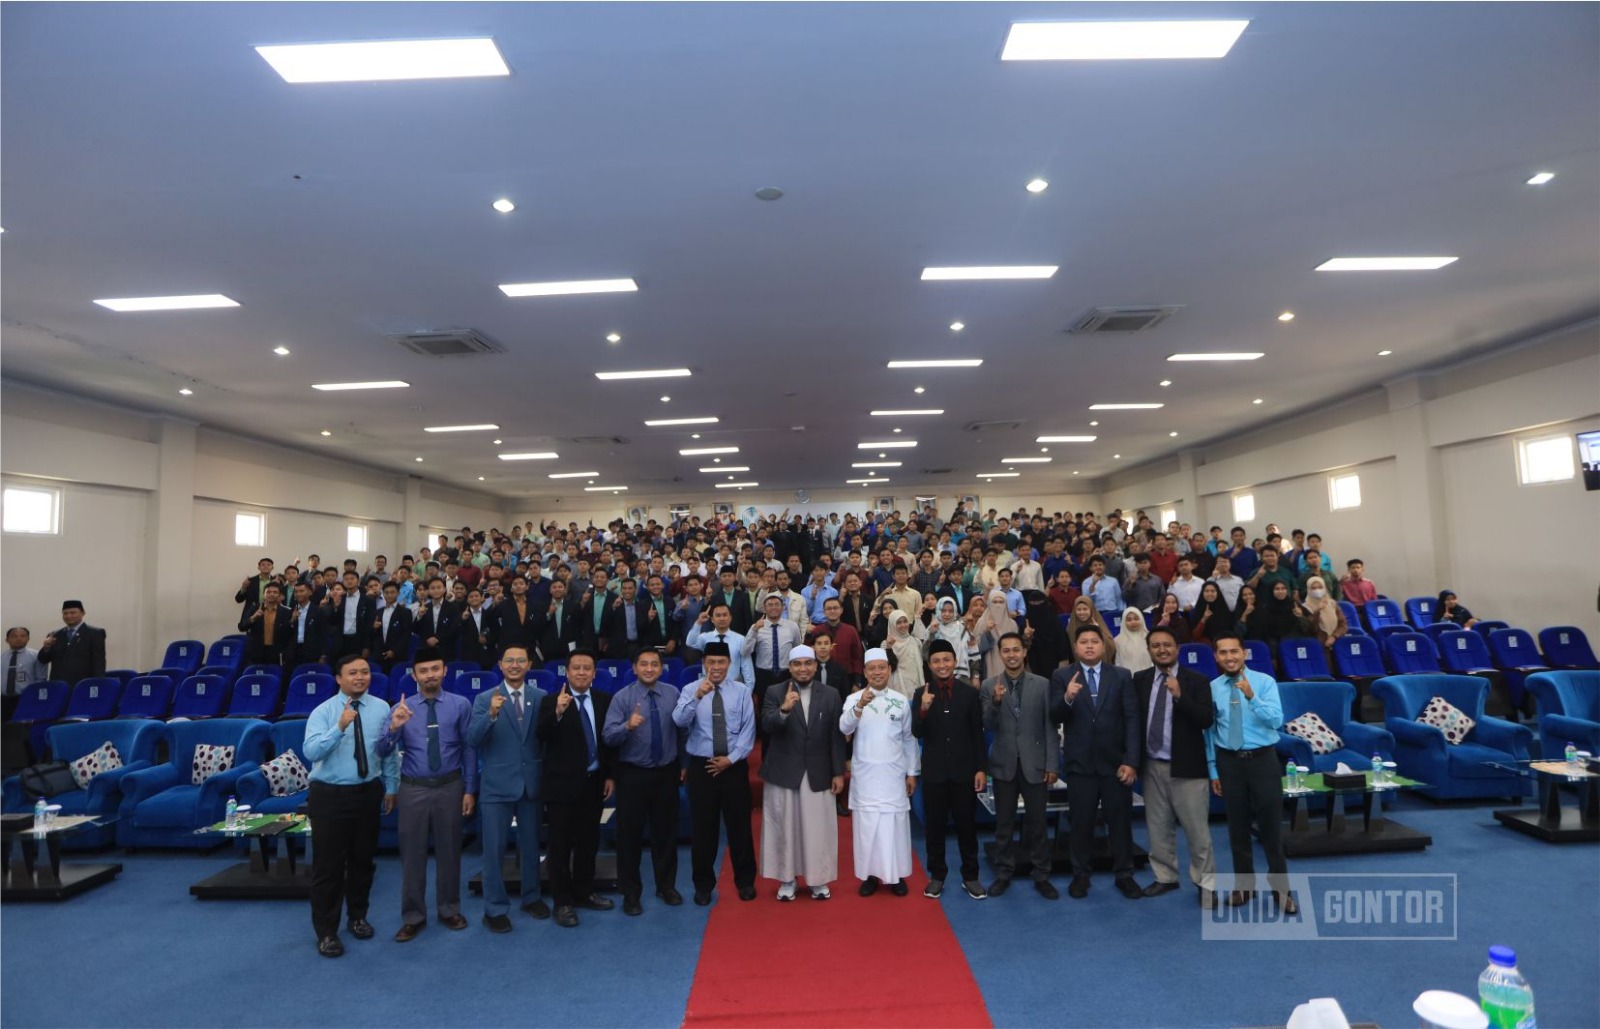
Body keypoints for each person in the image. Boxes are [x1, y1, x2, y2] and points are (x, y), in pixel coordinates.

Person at [376, 647, 476, 941]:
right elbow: (382, 750)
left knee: (449, 852)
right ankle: (413, 916)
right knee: (412, 856)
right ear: (414, 675)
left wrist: (470, 789)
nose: (430, 675)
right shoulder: (401, 708)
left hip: (450, 787)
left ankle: (449, 909)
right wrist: (395, 729)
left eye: (435, 669)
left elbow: (469, 749)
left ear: (444, 671)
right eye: (424, 670)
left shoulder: (460, 705)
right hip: (413, 788)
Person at [302, 654, 398, 957]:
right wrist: (340, 726)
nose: (360, 677)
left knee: (362, 862)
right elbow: (311, 751)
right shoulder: (324, 711)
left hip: (367, 793)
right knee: (328, 868)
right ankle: (327, 932)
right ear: (339, 679)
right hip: (330, 795)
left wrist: (391, 786)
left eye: (365, 672)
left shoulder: (382, 707)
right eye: (353, 673)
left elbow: (387, 752)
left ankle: (357, 917)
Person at [1051, 625, 1142, 900]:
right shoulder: (1062, 675)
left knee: (1120, 823)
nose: (1089, 646)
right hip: (1080, 765)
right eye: (1084, 642)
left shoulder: (1122, 676)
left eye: (1094, 641)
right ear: (1076, 647)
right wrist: (1067, 697)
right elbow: (1053, 715)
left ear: (1104, 646)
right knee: (1080, 823)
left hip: (1116, 765)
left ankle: (1124, 874)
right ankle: (1081, 875)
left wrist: (1131, 761)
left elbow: (1132, 720)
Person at [1206, 633, 1295, 914]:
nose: (1229, 657)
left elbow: (1276, 720)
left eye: (1234, 651)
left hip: (1263, 760)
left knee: (1270, 827)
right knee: (1237, 828)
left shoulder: (1264, 682)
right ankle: (1244, 885)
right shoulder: (1213, 687)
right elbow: (1209, 733)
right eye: (1223, 653)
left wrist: (1251, 697)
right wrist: (1212, 769)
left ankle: (1281, 888)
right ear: (1216, 657)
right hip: (1229, 762)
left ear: (1244, 654)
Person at [467, 645, 549, 933]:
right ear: (500, 665)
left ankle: (531, 897)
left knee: (530, 846)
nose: (515, 665)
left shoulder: (541, 698)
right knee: (494, 850)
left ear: (529, 665)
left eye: (520, 661)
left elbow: (546, 739)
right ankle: (495, 908)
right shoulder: (483, 699)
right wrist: (490, 715)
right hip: (496, 786)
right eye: (509, 661)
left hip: (531, 784)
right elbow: (473, 740)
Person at [1132, 628, 1216, 906]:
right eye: (1155, 645)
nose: (1162, 650)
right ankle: (1165, 877)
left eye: (1167, 645)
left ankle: (1206, 884)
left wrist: (1181, 696)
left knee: (1197, 831)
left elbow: (1205, 719)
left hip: (1188, 768)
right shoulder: (1140, 680)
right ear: (1149, 650)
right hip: (1152, 765)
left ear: (1177, 649)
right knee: (1158, 827)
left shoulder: (1197, 681)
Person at [673, 640, 758, 905]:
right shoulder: (690, 689)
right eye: (711, 662)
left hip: (733, 767)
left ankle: (745, 882)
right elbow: (678, 720)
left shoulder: (742, 691)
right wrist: (698, 696)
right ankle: (703, 885)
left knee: (740, 828)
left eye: (721, 662)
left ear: (729, 664)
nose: (716, 667)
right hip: (702, 767)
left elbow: (748, 731)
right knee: (703, 830)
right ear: (703, 664)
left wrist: (730, 760)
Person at [601, 649, 684, 915]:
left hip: (666, 773)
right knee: (629, 837)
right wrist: (628, 725)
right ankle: (630, 893)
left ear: (661, 668)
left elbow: (683, 731)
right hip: (633, 775)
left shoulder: (673, 693)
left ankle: (666, 886)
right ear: (634, 668)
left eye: (654, 664)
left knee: (666, 834)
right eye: (644, 664)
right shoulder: (622, 697)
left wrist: (684, 765)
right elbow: (608, 737)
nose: (649, 668)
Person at [760, 645, 847, 901]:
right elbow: (766, 725)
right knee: (784, 829)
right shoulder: (775, 692)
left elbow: (836, 737)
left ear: (815, 666)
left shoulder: (830, 694)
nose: (803, 668)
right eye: (797, 664)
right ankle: (787, 880)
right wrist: (784, 710)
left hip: (818, 771)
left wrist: (838, 772)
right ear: (790, 668)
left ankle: (818, 880)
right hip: (784, 771)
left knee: (818, 829)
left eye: (807, 663)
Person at [537, 650, 615, 928]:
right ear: (567, 672)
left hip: (594, 783)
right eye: (576, 668)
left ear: (594, 673)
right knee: (559, 846)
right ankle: (563, 901)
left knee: (589, 842)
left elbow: (607, 742)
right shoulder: (550, 701)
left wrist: (609, 775)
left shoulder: (604, 700)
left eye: (587, 668)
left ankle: (584, 892)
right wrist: (557, 713)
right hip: (561, 786)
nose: (582, 672)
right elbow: (540, 735)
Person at [981, 632, 1060, 899]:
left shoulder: (1043, 684)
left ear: (1024, 652)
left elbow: (1050, 727)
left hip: (1035, 764)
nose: (1012, 655)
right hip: (1003, 764)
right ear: (1000, 654)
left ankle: (1042, 874)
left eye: (1016, 650)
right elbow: (988, 725)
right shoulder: (989, 685)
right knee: (1004, 825)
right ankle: (1004, 873)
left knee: (1038, 825)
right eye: (1006, 650)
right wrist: (996, 702)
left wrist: (1052, 764)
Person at [912, 639, 987, 901]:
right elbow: (916, 732)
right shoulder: (921, 693)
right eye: (936, 661)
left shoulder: (969, 693)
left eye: (946, 660)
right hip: (934, 773)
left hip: (964, 771)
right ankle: (937, 875)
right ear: (929, 665)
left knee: (967, 825)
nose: (942, 665)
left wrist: (980, 769)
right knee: (935, 827)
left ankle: (971, 876)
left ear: (955, 662)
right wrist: (923, 709)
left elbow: (977, 734)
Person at [839, 649, 919, 896]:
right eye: (871, 668)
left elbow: (909, 739)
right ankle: (871, 876)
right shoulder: (853, 700)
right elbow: (844, 728)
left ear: (889, 670)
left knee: (894, 827)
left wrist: (912, 772)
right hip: (866, 775)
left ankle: (895, 876)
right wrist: (860, 705)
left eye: (881, 668)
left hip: (894, 775)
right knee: (868, 828)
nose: (877, 672)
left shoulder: (901, 701)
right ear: (864, 672)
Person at [38, 600, 107, 686]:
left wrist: (97, 684)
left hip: (83, 685)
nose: (69, 616)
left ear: (83, 613)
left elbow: (99, 662)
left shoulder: (95, 633)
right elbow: (43, 660)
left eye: (73, 612)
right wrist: (46, 648)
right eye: (65, 613)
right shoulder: (55, 635)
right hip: (58, 686)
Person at [973, 589, 1017, 682]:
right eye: (995, 602)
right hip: (989, 662)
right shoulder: (982, 622)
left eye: (1001, 602)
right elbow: (975, 647)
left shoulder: (1012, 624)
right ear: (989, 604)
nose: (998, 605)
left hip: (1009, 661)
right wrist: (987, 632)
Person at [3, 627, 45, 721]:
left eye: (23, 636)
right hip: (4, 700)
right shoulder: (2, 657)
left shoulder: (37, 656)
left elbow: (41, 679)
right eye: (14, 636)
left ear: (28, 638)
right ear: (7, 640)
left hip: (27, 699)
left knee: (23, 729)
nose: (19, 639)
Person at [371, 581, 413, 673]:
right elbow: (374, 635)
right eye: (386, 592)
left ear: (398, 593)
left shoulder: (405, 612)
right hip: (379, 655)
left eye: (392, 592)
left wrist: (394, 651)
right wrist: (373, 628)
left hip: (398, 656)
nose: (389, 595)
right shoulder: (378, 612)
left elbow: (406, 635)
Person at [285, 582, 328, 668]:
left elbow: (323, 634)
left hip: (312, 652)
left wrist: (323, 655)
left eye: (301, 591)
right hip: (294, 652)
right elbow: (284, 633)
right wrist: (292, 621)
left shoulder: (318, 611)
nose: (298, 594)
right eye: (296, 592)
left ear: (310, 592)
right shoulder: (290, 611)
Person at [1301, 576, 1349, 652]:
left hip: (1337, 642)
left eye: (1320, 587)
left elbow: (1343, 624)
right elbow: (1311, 628)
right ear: (1308, 590)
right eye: (1314, 588)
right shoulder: (1305, 607)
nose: (1317, 590)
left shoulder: (1332, 603)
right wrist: (1318, 610)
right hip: (1319, 646)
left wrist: (1334, 637)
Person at [1188, 581, 1237, 645]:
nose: (1209, 593)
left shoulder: (1225, 611)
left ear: (1218, 593)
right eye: (1206, 591)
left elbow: (1230, 633)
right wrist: (1204, 619)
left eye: (1213, 591)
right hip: (1205, 647)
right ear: (1202, 593)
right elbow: (1194, 636)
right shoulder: (1197, 611)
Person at [1115, 607, 1153, 675]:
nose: (1133, 622)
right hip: (1126, 679)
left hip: (1148, 677)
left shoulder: (1150, 637)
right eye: (1129, 620)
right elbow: (1117, 662)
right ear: (1124, 622)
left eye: (1136, 619)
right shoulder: (1117, 640)